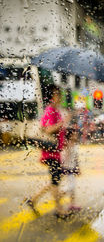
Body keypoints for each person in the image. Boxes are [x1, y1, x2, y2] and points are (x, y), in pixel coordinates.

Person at [25, 85, 68, 218]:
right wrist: (61, 124)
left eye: (59, 94)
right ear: (51, 97)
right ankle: (59, 209)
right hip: (50, 151)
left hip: (55, 151)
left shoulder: (56, 111)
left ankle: (33, 199)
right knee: (55, 180)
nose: (59, 97)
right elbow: (47, 129)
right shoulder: (50, 110)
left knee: (55, 179)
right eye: (56, 94)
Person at [62, 127, 81, 212]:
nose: (76, 135)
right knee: (69, 187)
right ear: (70, 135)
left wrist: (78, 168)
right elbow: (63, 156)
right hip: (66, 168)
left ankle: (72, 204)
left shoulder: (76, 144)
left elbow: (76, 157)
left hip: (72, 168)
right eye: (74, 134)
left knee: (72, 188)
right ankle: (58, 196)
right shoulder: (66, 144)